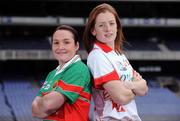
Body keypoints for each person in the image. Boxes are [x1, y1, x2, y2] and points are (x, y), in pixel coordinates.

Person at [83, 3, 148, 121]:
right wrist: (134, 89)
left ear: (117, 26)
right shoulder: (97, 56)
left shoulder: (119, 55)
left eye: (111, 23)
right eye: (102, 25)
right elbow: (121, 97)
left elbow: (144, 89)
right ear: (93, 30)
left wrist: (129, 85)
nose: (108, 29)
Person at [32, 25, 92, 121]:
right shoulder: (51, 74)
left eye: (66, 42)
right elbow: (35, 111)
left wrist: (44, 102)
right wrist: (45, 104)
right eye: (56, 43)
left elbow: (48, 104)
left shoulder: (79, 69)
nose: (60, 47)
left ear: (76, 46)